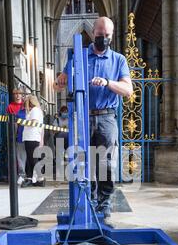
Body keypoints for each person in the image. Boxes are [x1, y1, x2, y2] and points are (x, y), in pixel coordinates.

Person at [56, 16, 132, 220]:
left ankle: (104, 203)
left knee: (105, 163)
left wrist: (108, 82)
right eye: (100, 35)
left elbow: (127, 90)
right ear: (93, 33)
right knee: (84, 161)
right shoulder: (78, 57)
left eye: (107, 35)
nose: (103, 38)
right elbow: (59, 85)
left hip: (107, 118)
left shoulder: (118, 60)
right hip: (83, 117)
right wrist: (61, 79)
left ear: (112, 35)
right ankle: (88, 200)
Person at [21, 95, 45, 187]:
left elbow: (33, 123)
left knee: (32, 159)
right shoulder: (36, 110)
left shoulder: (35, 110)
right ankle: (35, 178)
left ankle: (38, 178)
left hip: (32, 137)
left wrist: (22, 122)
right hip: (31, 137)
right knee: (32, 159)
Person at [6, 89, 27, 185]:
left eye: (19, 94)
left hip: (28, 135)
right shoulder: (10, 107)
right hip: (17, 135)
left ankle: (29, 175)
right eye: (15, 94)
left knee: (28, 156)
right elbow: (11, 123)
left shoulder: (25, 106)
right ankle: (20, 175)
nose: (17, 96)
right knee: (19, 156)